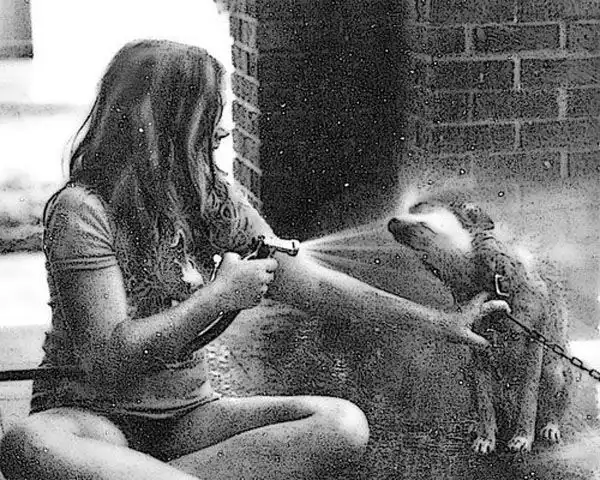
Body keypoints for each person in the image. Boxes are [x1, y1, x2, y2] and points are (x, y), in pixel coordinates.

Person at [0, 40, 508, 480]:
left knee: (341, 425)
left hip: (190, 420)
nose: (222, 131)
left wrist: (440, 322)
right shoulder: (81, 210)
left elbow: (314, 285)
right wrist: (217, 298)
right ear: (165, 124)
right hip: (93, 421)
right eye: (209, 114)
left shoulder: (212, 198)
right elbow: (111, 360)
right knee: (29, 443)